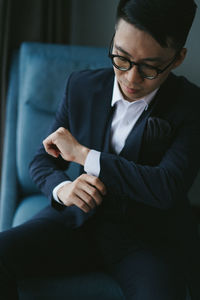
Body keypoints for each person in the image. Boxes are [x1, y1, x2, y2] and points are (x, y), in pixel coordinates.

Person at [0, 0, 200, 299]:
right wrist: (63, 189)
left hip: (149, 241)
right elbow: (42, 160)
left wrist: (84, 155)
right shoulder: (80, 86)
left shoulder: (191, 105)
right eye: (122, 58)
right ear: (114, 38)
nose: (131, 78)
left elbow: (167, 186)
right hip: (76, 222)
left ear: (177, 58)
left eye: (150, 68)